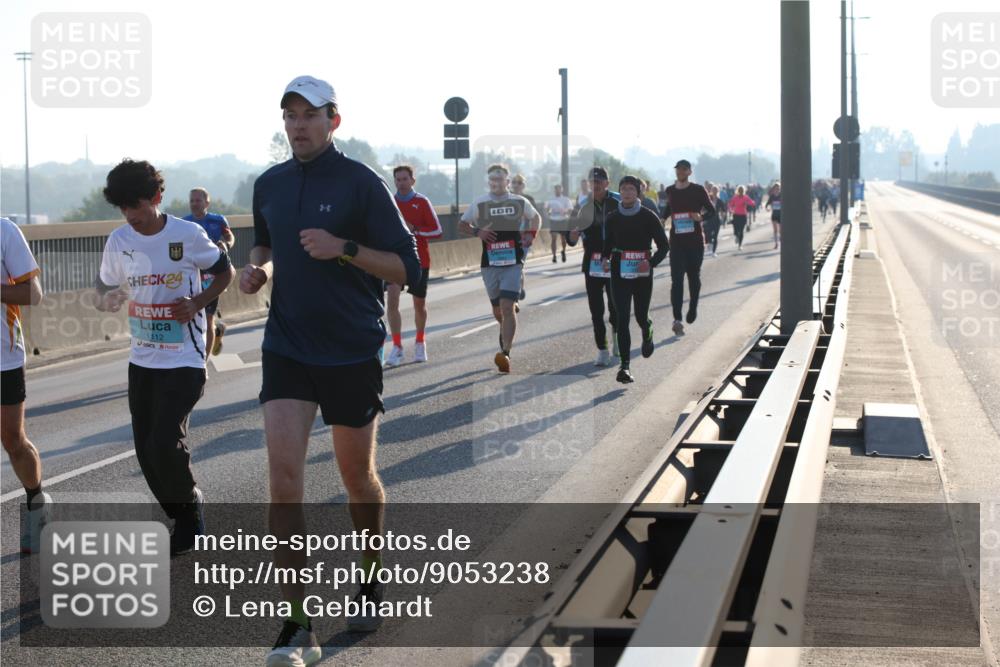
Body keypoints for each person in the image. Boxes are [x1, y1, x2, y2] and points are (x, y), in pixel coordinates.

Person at [240, 75, 421, 664]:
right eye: (289, 115)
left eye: (308, 115)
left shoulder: (361, 183)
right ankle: (297, 624)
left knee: (356, 479)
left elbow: (406, 269)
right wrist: (259, 271)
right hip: (286, 347)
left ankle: (369, 576)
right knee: (283, 482)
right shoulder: (268, 183)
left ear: (333, 120)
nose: (297, 125)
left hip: (349, 350)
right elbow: (266, 245)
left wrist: (343, 247)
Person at [94, 159, 235, 557]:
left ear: (156, 197)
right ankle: (179, 508)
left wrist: (198, 302)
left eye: (137, 206)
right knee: (144, 448)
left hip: (185, 358)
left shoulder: (187, 235)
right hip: (142, 360)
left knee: (163, 442)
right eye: (123, 209)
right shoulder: (120, 240)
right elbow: (102, 290)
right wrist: (108, 300)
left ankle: (188, 514)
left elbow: (225, 273)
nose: (131, 216)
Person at [1, 217, 52, 554]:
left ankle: (37, 502)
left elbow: (32, 294)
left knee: (13, 441)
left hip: (2, 356)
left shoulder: (4, 230)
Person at [459, 164, 540, 373]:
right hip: (490, 264)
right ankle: (504, 330)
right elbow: (462, 224)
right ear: (489, 182)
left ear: (507, 181)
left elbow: (536, 217)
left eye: (500, 179)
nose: (496, 182)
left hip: (513, 261)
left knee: (506, 306)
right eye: (493, 179)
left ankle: (506, 352)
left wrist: (530, 234)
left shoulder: (518, 201)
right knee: (498, 310)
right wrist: (478, 232)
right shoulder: (480, 203)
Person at [601, 176, 669, 384]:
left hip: (642, 271)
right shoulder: (612, 218)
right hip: (619, 270)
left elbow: (664, 246)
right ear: (619, 192)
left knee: (640, 315)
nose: (627, 193)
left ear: (638, 192)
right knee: (622, 317)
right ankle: (625, 367)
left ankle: (647, 332)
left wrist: (651, 263)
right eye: (624, 189)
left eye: (631, 189)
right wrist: (604, 258)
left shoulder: (648, 216)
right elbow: (608, 243)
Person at [384, 165, 442, 366]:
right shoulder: (389, 202)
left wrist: (414, 230)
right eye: (398, 180)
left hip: (419, 260)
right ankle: (397, 347)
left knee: (419, 304)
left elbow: (437, 230)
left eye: (405, 179)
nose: (401, 183)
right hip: (393, 261)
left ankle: (420, 341)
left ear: (412, 181)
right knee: (392, 302)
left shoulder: (422, 201)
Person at [568, 166, 620, 366]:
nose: (596, 185)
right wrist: (571, 236)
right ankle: (602, 349)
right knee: (596, 311)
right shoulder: (582, 206)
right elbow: (572, 235)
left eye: (599, 181)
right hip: (592, 264)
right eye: (593, 182)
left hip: (614, 262)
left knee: (615, 308)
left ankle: (616, 342)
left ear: (607, 183)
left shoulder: (617, 203)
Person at [663, 159, 714, 336]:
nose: (680, 172)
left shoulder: (698, 190)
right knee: (676, 280)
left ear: (689, 172)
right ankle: (677, 319)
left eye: (684, 170)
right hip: (676, 242)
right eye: (678, 169)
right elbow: (667, 210)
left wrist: (700, 217)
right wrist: (661, 220)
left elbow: (711, 211)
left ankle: (693, 307)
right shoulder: (670, 191)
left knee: (693, 276)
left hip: (694, 242)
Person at [183, 187, 235, 356]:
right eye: (192, 200)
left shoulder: (218, 220)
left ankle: (203, 365)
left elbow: (230, 237)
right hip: (192, 277)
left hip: (213, 277)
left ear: (207, 202)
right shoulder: (184, 223)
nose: (194, 204)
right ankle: (216, 332)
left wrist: (225, 245)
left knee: (208, 317)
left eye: (198, 200)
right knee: (195, 317)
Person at [510, 174, 537, 302]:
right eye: (514, 182)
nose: (516, 185)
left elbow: (535, 218)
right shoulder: (505, 198)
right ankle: (515, 291)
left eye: (519, 182)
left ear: (523, 185)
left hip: (523, 239)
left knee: (518, 266)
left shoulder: (528, 199)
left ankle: (517, 291)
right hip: (508, 239)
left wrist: (531, 235)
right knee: (509, 267)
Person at [546, 184, 573, 263]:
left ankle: (563, 251)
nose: (557, 190)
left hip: (563, 220)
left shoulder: (565, 199)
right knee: (553, 239)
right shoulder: (551, 199)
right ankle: (554, 256)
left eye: (559, 189)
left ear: (562, 190)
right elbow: (547, 209)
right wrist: (549, 212)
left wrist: (565, 211)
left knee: (563, 239)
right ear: (554, 190)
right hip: (554, 220)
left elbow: (570, 209)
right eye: (556, 189)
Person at [727, 185, 755, 251]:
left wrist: (747, 203)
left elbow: (752, 203)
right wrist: (730, 209)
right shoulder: (735, 197)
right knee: (736, 229)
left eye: (742, 190)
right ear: (737, 191)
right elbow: (730, 205)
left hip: (743, 215)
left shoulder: (746, 197)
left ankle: (740, 245)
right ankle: (736, 235)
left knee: (741, 230)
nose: (741, 191)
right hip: (736, 215)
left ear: (744, 191)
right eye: (739, 190)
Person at [703, 186, 726, 257]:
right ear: (711, 191)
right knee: (708, 234)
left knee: (715, 236)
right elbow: (703, 209)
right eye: (713, 190)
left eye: (716, 190)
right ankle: (709, 243)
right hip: (708, 219)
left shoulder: (719, 201)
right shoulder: (708, 200)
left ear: (718, 191)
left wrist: (722, 218)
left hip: (716, 220)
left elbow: (723, 210)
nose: (715, 192)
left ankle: (713, 252)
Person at [765, 181, 782, 249]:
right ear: (774, 189)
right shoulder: (772, 196)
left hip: (781, 214)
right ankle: (776, 244)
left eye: (778, 188)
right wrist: (768, 208)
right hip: (774, 214)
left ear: (780, 188)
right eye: (775, 188)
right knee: (775, 230)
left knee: (781, 230)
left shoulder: (782, 195)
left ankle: (781, 240)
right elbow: (767, 204)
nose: (777, 190)